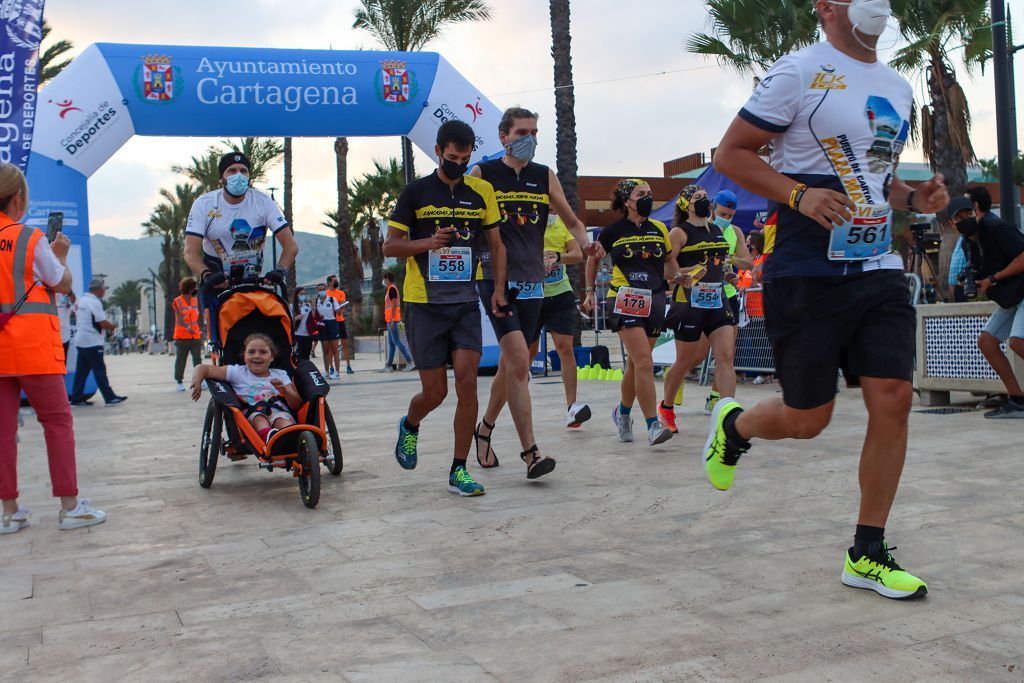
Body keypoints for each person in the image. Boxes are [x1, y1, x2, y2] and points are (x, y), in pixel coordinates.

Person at [711, 0, 950, 600]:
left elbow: (875, 174)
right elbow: (731, 153)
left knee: (893, 398)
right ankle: (735, 426)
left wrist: (913, 198)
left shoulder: (896, 85)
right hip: (806, 271)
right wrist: (799, 197)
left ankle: (867, 552)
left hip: (877, 266)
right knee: (808, 419)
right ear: (826, 7)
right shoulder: (798, 72)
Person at [470, 107, 598, 476]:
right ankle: (531, 453)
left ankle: (485, 429)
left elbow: (572, 221)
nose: (530, 138)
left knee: (513, 364)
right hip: (495, 280)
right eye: (522, 131)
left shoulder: (544, 176)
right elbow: (464, 220)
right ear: (503, 137)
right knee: (521, 364)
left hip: (533, 281)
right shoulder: (484, 174)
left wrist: (587, 245)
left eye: (535, 131)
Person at [382, 119, 508, 496]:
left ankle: (459, 469)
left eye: (465, 156)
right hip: (424, 303)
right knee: (435, 393)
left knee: (467, 382)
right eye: (452, 156)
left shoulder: (482, 190)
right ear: (438, 151)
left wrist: (499, 288)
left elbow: (497, 246)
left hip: (466, 301)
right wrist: (429, 244)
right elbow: (390, 246)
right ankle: (410, 424)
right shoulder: (416, 193)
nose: (458, 161)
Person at [0, 162, 106, 533]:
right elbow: (60, 283)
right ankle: (69, 506)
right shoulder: (31, 238)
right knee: (57, 423)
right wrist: (60, 254)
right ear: (19, 197)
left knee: (1, 431)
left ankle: (9, 511)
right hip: (33, 348)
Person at [583, 178, 673, 447]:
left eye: (649, 193)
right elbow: (594, 258)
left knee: (636, 364)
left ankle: (622, 413)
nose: (647, 197)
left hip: (655, 299)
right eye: (641, 194)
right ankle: (652, 425)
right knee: (644, 360)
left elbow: (669, 263)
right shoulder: (612, 231)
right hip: (624, 297)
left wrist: (681, 277)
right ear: (626, 201)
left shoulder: (660, 228)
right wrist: (589, 290)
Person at [184, 151, 297, 349]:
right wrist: (206, 273)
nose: (238, 175)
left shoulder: (263, 202)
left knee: (266, 335)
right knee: (225, 343)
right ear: (221, 178)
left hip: (254, 281)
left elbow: (290, 246)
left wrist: (280, 270)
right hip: (218, 281)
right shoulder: (204, 204)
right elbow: (190, 252)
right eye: (232, 171)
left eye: (243, 171)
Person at [659, 185, 741, 434]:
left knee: (726, 357)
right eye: (698, 198)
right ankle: (666, 407)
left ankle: (728, 414)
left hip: (717, 300)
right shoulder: (679, 232)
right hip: (688, 303)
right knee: (685, 361)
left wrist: (728, 275)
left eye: (706, 197)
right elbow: (668, 272)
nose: (704, 201)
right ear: (686, 204)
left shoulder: (717, 230)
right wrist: (686, 272)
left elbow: (718, 264)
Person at [957, 188, 1024, 418]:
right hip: (1012, 296)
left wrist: (993, 279)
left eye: (964, 212)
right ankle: (1017, 400)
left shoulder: (997, 228)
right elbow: (985, 270)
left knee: (1017, 341)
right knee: (987, 342)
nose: (959, 220)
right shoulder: (971, 240)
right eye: (956, 217)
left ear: (976, 208)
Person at [190, 333, 300, 443]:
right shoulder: (237, 372)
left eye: (263, 352)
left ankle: (289, 438)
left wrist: (286, 392)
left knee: (282, 420)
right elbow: (204, 369)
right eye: (251, 352)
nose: (257, 355)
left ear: (271, 357)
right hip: (253, 415)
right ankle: (269, 438)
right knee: (258, 418)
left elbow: (296, 404)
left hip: (279, 412)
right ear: (244, 355)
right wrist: (196, 381)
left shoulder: (280, 375)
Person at [540, 215, 591, 427]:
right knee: (522, 353)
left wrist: (558, 257)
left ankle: (572, 407)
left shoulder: (561, 222)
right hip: (531, 294)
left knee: (565, 348)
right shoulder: (524, 219)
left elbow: (578, 254)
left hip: (560, 293)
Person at [69, 279, 127, 406]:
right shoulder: (94, 302)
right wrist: (113, 326)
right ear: (98, 289)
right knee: (99, 370)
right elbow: (101, 322)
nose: (104, 291)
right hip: (92, 342)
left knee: (81, 372)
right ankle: (109, 397)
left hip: (81, 340)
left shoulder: (82, 300)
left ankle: (76, 398)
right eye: (104, 289)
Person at [172, 276, 203, 391]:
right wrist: (187, 327)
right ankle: (179, 382)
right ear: (189, 288)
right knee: (181, 360)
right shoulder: (177, 301)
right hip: (182, 336)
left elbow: (197, 317)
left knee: (197, 359)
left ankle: (199, 380)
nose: (195, 289)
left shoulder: (195, 300)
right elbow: (179, 318)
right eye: (194, 287)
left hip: (195, 335)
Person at [382, 272, 414, 372]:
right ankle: (389, 366)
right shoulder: (390, 289)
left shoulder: (392, 289)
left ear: (387, 279)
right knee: (391, 343)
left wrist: (392, 319)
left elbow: (394, 304)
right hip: (391, 320)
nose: (383, 281)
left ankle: (410, 361)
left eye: (384, 279)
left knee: (396, 342)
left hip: (393, 320)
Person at [325, 276, 354, 375]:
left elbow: (342, 305)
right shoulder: (326, 294)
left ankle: (348, 366)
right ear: (329, 282)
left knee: (345, 343)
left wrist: (340, 306)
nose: (336, 282)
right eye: (334, 281)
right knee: (331, 346)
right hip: (331, 322)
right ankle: (331, 367)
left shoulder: (341, 293)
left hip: (340, 321)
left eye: (337, 280)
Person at [315, 282, 342, 379]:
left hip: (332, 323)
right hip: (322, 325)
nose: (322, 291)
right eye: (320, 289)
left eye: (323, 289)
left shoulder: (332, 299)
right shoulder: (316, 302)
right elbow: (314, 315)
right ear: (317, 291)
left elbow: (338, 312)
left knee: (335, 349)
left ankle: (337, 372)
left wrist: (340, 308)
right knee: (325, 350)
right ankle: (326, 371)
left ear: (326, 290)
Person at [292, 286, 316, 361]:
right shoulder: (292, 306)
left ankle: (305, 371)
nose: (303, 296)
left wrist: (313, 307)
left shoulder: (307, 306)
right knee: (298, 356)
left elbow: (313, 317)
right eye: (301, 294)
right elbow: (288, 321)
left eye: (304, 294)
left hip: (307, 335)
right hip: (297, 335)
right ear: (296, 295)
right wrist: (295, 318)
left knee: (306, 357)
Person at [57, 289, 75, 355]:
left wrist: (69, 290)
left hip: (64, 337)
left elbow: (73, 301)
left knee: (63, 363)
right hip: (52, 337)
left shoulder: (67, 298)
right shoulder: (50, 295)